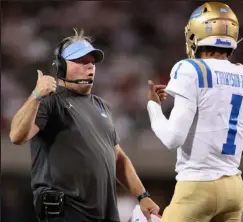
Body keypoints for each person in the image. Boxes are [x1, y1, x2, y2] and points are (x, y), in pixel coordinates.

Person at [9, 29, 162, 222]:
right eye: (80, 61)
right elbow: (16, 136)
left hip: (104, 212)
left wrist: (143, 195)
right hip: (66, 211)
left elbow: (118, 158)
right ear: (61, 66)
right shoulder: (51, 101)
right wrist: (36, 95)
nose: (89, 66)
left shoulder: (102, 106)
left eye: (91, 61)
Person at [146, 2, 243, 222]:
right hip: (234, 189)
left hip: (197, 188)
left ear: (196, 33)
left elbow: (172, 138)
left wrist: (153, 107)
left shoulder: (191, 70)